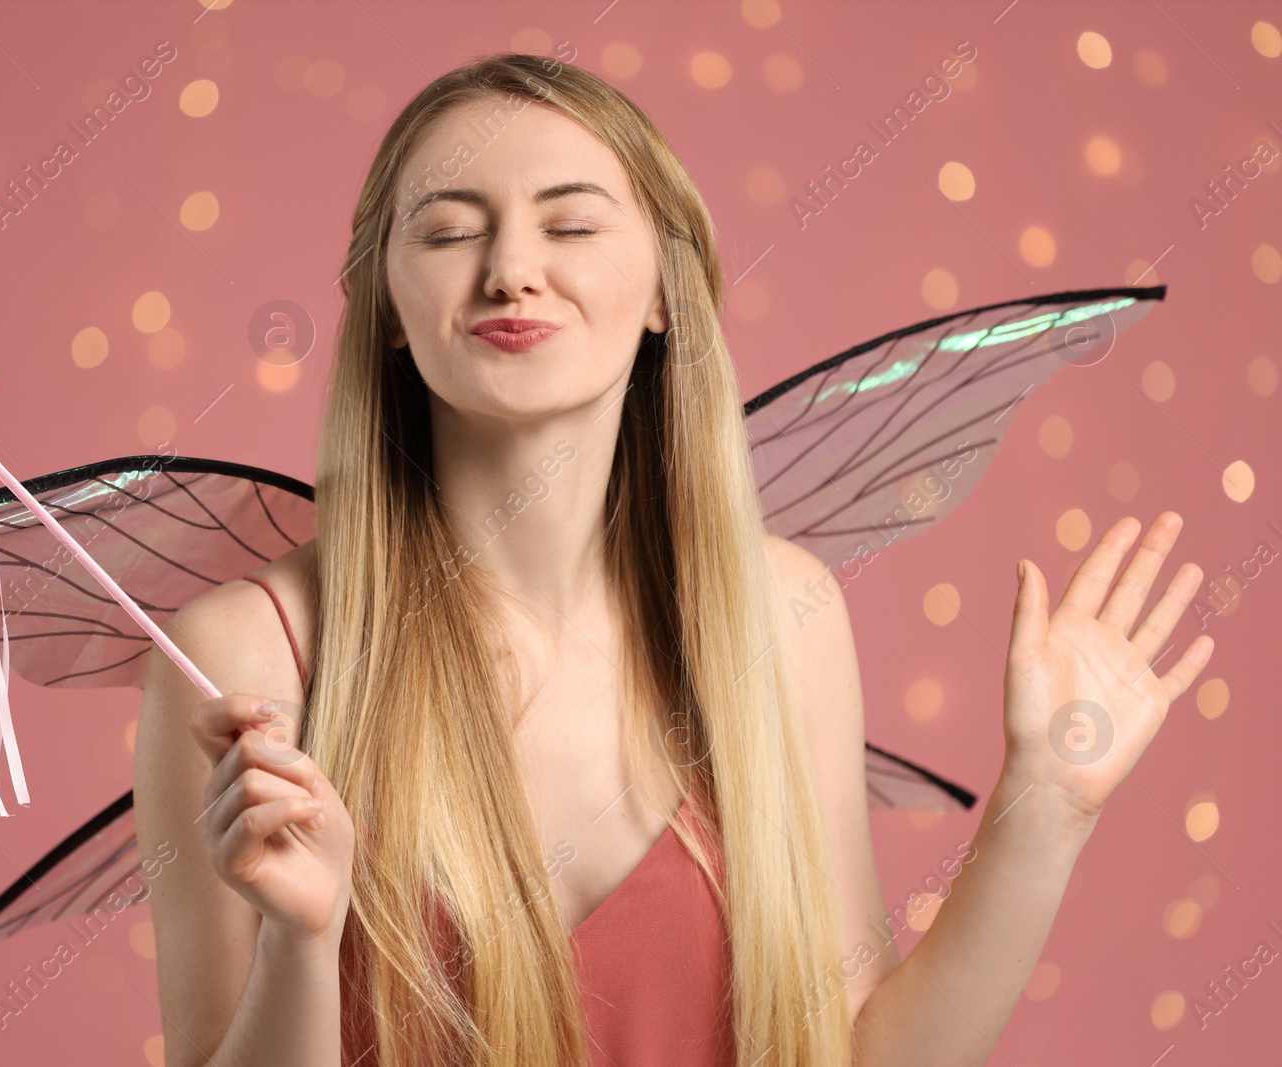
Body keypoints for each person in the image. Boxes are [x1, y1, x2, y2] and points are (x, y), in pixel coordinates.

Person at [133, 53, 1214, 1067]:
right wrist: (299, 940)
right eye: (452, 231)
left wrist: (1046, 806)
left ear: (661, 291)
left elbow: (861, 1048)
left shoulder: (778, 615)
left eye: (571, 225)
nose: (513, 271)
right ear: (390, 315)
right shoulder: (251, 657)